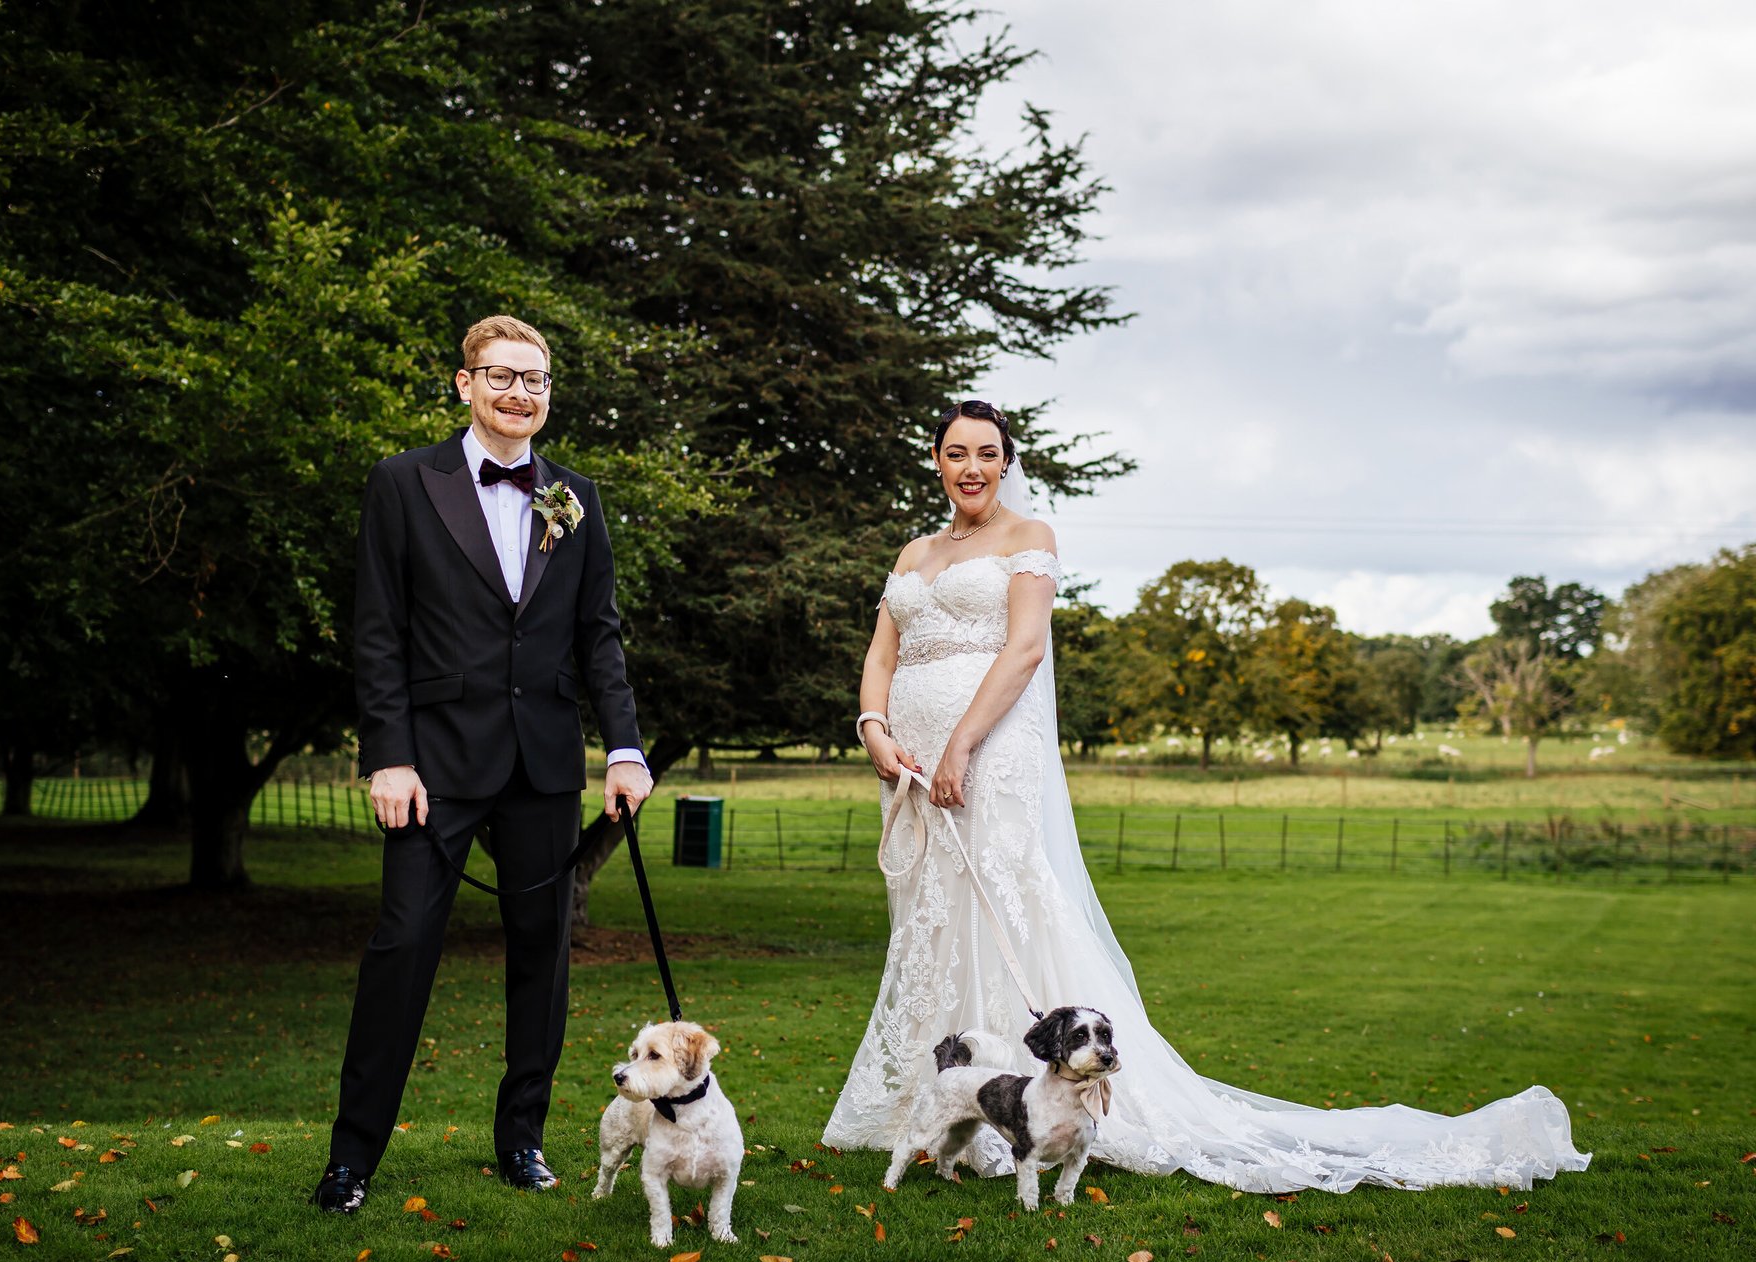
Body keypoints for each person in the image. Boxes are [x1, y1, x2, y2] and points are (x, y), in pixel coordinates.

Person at [824, 399, 1591, 1192]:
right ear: (937, 461)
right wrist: (874, 727)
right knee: (934, 920)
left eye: (987, 452)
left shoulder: (1030, 539)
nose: (972, 467)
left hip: (987, 753)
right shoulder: (914, 550)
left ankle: (1040, 1103)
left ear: (1007, 461)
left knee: (1004, 908)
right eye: (957, 453)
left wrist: (961, 743)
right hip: (908, 767)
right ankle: (944, 1099)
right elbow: (883, 651)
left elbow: (1023, 650)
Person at [314, 315, 654, 1213]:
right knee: (402, 949)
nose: (520, 394)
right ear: (464, 383)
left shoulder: (573, 498)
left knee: (542, 960)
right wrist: (388, 756)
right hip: (432, 768)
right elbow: (378, 632)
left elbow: (598, 637)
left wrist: (622, 747)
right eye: (503, 376)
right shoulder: (402, 483)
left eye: (536, 380)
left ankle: (523, 1141)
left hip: (543, 764)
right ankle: (352, 1159)